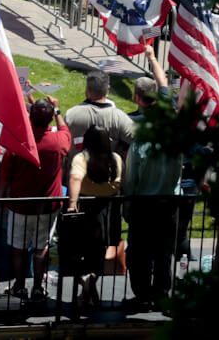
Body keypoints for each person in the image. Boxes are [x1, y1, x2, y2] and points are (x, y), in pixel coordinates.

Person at [122, 55, 183, 312]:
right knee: (164, 253)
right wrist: (152, 57)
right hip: (170, 203)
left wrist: (127, 207)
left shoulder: (139, 140)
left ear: (137, 99)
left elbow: (131, 179)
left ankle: (143, 296)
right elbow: (164, 82)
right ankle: (161, 295)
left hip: (144, 204)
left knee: (139, 254)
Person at [1, 97, 71, 301]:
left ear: (31, 117)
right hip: (47, 207)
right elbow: (66, 130)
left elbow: (6, 173)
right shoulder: (58, 140)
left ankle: (20, 286)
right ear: (50, 119)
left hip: (20, 205)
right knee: (42, 247)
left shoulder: (19, 142)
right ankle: (38, 288)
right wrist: (57, 109)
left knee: (18, 248)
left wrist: (2, 199)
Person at [64, 124, 123, 310]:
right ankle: (89, 288)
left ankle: (85, 281)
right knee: (98, 254)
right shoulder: (116, 159)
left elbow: (75, 179)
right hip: (108, 210)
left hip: (86, 210)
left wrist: (72, 203)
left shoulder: (82, 158)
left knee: (77, 252)